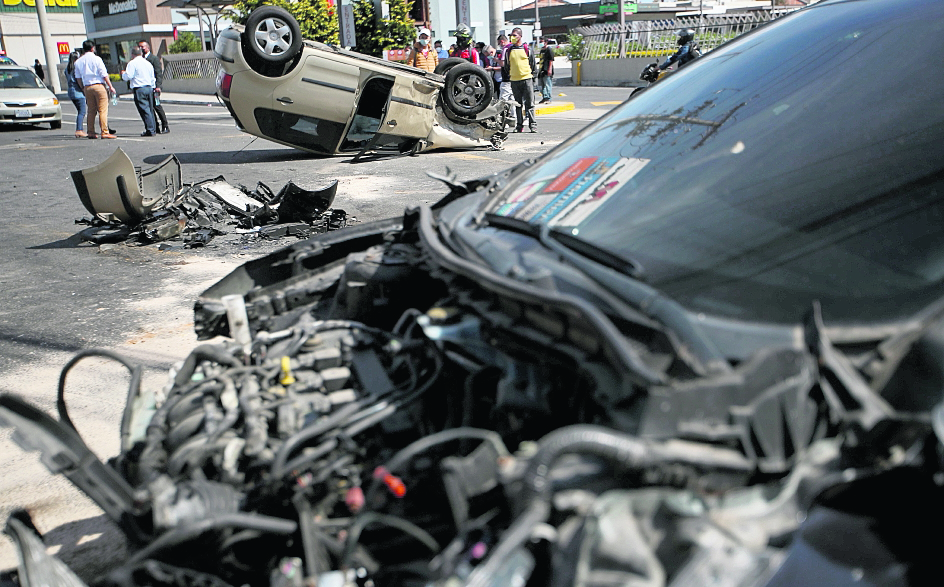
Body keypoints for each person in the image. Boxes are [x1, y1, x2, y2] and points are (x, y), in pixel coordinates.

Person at [73, 40, 117, 139]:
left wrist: (82, 88)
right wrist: (110, 86)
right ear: (92, 48)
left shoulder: (78, 61)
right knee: (102, 110)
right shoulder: (97, 59)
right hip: (98, 85)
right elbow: (103, 73)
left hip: (87, 86)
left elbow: (78, 77)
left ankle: (91, 131)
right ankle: (104, 131)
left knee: (91, 110)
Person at [501, 27, 536, 133]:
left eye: (514, 35)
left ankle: (533, 125)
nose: (512, 37)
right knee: (518, 104)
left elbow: (533, 65)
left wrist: (533, 78)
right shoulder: (509, 50)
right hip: (514, 80)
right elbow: (506, 66)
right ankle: (519, 125)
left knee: (530, 104)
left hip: (527, 79)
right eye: (511, 35)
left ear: (520, 36)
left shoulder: (527, 49)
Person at [121, 47, 157, 136]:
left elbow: (129, 76)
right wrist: (153, 88)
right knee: (150, 109)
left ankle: (150, 129)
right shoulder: (148, 63)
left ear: (132, 54)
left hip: (139, 88)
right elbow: (152, 77)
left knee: (144, 110)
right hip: (149, 87)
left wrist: (123, 74)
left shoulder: (132, 63)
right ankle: (153, 128)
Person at [138, 40, 169, 133]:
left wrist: (158, 86)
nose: (141, 49)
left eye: (142, 47)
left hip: (154, 87)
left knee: (157, 106)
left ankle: (165, 126)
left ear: (148, 47)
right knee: (149, 108)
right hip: (146, 87)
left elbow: (158, 73)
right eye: (139, 47)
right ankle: (155, 126)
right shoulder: (140, 60)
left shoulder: (153, 59)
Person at [65, 51, 87, 137]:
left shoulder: (67, 69)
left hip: (71, 91)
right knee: (82, 111)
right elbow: (79, 80)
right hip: (78, 92)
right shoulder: (76, 69)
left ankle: (79, 129)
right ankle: (79, 129)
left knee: (79, 111)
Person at [495, 34, 513, 103]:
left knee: (503, 98)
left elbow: (502, 64)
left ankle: (502, 113)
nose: (499, 45)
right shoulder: (512, 47)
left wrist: (496, 60)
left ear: (502, 41)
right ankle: (513, 113)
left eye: (499, 43)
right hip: (513, 76)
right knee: (512, 98)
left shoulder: (505, 49)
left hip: (506, 77)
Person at [537, 37, 555, 104]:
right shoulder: (542, 50)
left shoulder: (549, 50)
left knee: (547, 84)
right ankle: (544, 97)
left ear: (546, 42)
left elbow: (551, 60)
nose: (541, 43)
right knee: (541, 85)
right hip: (541, 69)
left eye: (542, 41)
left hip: (546, 69)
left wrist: (549, 69)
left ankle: (548, 98)